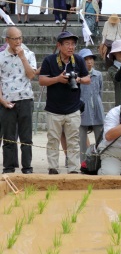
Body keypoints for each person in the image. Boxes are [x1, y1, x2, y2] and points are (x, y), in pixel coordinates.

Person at [38, 31, 90, 174]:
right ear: (59, 45)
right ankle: (53, 167)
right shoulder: (49, 60)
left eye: (73, 44)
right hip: (53, 109)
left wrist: (78, 79)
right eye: (67, 44)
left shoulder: (78, 60)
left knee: (74, 140)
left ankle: (74, 168)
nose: (71, 47)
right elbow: (42, 80)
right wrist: (57, 79)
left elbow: (88, 79)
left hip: (73, 108)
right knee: (53, 139)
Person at [0, 27, 36, 173]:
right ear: (7, 40)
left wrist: (22, 57)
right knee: (8, 137)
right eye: (15, 39)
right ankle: (8, 167)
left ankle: (27, 167)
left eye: (20, 38)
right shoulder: (1, 57)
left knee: (26, 137)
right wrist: (1, 100)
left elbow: (31, 75)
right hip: (7, 101)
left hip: (26, 98)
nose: (18, 41)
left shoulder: (29, 54)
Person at [78, 48, 104, 164]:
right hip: (82, 109)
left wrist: (98, 104)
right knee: (81, 139)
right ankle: (83, 162)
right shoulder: (78, 76)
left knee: (100, 137)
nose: (89, 62)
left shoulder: (98, 75)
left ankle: (101, 160)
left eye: (91, 59)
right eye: (86, 59)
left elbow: (100, 92)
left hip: (97, 108)